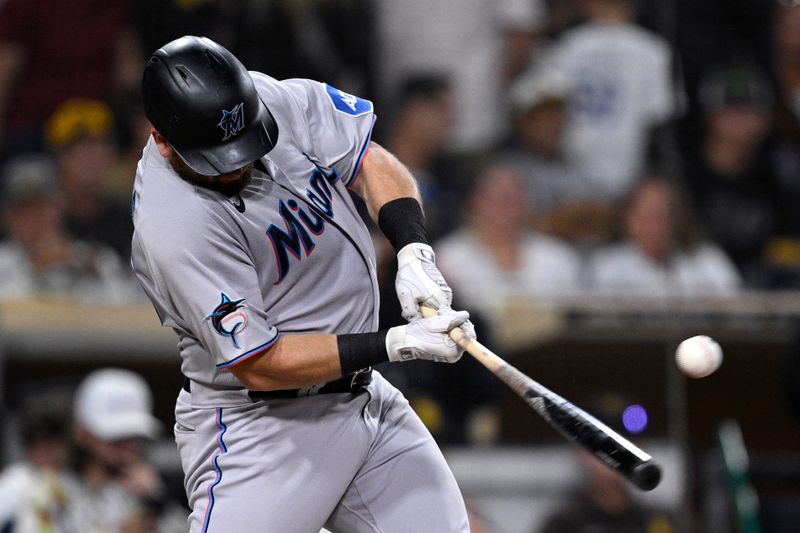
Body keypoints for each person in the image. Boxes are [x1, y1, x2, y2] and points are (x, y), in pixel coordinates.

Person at [131, 36, 476, 532]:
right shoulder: (173, 223)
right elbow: (259, 363)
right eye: (220, 158)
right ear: (163, 139)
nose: (238, 163)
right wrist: (396, 342)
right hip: (265, 428)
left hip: (364, 401)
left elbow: (369, 159)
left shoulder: (266, 99)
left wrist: (413, 251)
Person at [435, 163, 583, 344]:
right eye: (499, 200)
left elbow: (573, 320)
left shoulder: (558, 257)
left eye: (515, 200)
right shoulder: (450, 257)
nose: (507, 209)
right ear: (475, 202)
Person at [0, 154, 139, 304]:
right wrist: (35, 268)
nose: (32, 220)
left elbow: (130, 303)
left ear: (58, 209)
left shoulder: (90, 257)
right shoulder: (3, 260)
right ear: (8, 217)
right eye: (22, 212)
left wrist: (85, 268)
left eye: (40, 210)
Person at [588, 175, 741, 297]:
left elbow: (736, 316)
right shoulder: (607, 266)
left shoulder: (708, 262)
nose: (658, 224)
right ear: (629, 220)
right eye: (649, 215)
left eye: (665, 215)